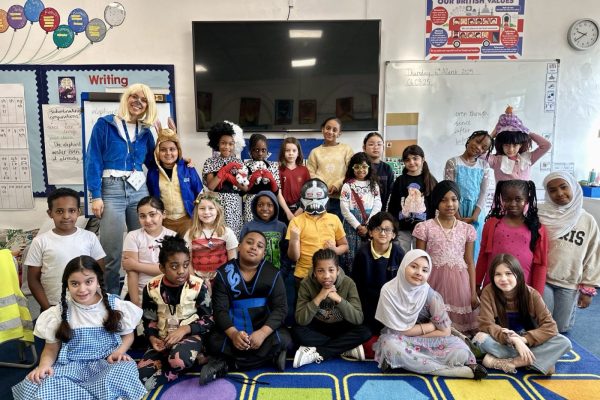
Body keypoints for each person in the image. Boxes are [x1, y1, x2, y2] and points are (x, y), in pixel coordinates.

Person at [12, 256, 145, 400]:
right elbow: (50, 349)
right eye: (75, 283)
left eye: (88, 282)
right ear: (67, 285)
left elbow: (128, 335)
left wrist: (119, 352)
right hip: (71, 366)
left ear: (98, 281)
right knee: (38, 382)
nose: (82, 289)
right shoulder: (58, 313)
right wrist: (43, 366)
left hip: (107, 362)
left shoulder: (116, 305)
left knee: (124, 370)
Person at [85, 83, 158, 294]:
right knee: (112, 251)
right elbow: (93, 160)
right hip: (111, 190)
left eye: (144, 100)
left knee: (143, 246)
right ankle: (112, 299)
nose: (138, 102)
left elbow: (155, 163)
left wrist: (180, 161)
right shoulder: (105, 124)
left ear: (148, 106)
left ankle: (142, 295)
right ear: (126, 98)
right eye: (134, 97)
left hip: (139, 190)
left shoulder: (146, 131)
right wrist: (96, 195)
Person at [373, 249, 487, 379]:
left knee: (461, 351)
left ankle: (410, 364)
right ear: (404, 266)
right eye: (414, 266)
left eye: (424, 270)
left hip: (427, 340)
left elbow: (445, 331)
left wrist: (418, 338)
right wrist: (431, 326)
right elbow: (397, 330)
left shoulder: (431, 296)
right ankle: (454, 371)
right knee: (390, 345)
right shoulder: (389, 291)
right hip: (399, 340)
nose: (418, 273)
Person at [205, 231, 291, 380]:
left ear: (263, 254)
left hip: (262, 328)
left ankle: (228, 364)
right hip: (234, 328)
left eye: (260, 246)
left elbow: (281, 309)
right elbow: (220, 310)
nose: (254, 247)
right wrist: (233, 335)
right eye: (249, 242)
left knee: (285, 339)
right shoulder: (224, 273)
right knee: (212, 341)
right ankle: (269, 358)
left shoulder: (273, 273)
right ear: (239, 247)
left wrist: (262, 333)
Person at [473, 253, 572, 375]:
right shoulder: (488, 292)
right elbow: (486, 324)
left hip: (526, 340)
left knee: (564, 342)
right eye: (498, 274)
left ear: (518, 274)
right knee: (482, 339)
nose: (503, 278)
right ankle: (539, 361)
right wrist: (513, 340)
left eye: (508, 273)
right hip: (501, 340)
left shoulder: (532, 294)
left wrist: (523, 340)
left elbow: (551, 327)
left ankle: (513, 362)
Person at [137, 236, 214, 390]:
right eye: (174, 266)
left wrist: (185, 329)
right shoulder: (151, 288)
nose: (181, 271)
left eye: (186, 265)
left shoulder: (198, 286)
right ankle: (193, 361)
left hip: (191, 337)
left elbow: (209, 320)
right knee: (141, 375)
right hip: (163, 339)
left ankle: (187, 360)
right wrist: (153, 338)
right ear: (162, 268)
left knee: (177, 361)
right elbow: (149, 320)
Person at [414, 180, 479, 334]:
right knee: (434, 325)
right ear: (436, 202)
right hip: (432, 283)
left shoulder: (467, 229)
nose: (450, 204)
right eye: (444, 200)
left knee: (459, 332)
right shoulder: (425, 228)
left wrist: (473, 292)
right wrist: (417, 290)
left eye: (454, 199)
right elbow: (418, 261)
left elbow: (470, 262)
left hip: (461, 284)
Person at [538, 172, 600, 332]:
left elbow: (593, 255)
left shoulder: (587, 220)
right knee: (542, 324)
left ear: (573, 186)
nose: (559, 193)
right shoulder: (541, 215)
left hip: (569, 282)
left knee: (561, 328)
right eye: (552, 190)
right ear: (547, 193)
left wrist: (588, 288)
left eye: (564, 187)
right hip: (543, 279)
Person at [26, 188, 105, 312]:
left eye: (71, 210)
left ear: (78, 212)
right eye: (59, 211)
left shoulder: (90, 238)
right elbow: (33, 280)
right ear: (50, 213)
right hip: (53, 306)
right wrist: (48, 310)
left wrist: (94, 300)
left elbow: (100, 272)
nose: (66, 216)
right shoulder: (40, 241)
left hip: (86, 305)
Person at [293, 249, 371, 368]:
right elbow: (301, 320)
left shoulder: (348, 283)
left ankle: (319, 352)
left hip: (341, 327)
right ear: (314, 272)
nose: (326, 276)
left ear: (337, 270)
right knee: (296, 331)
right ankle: (345, 347)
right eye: (320, 271)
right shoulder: (306, 284)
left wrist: (338, 299)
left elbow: (358, 319)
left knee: (365, 332)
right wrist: (319, 297)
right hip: (318, 327)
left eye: (331, 270)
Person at [475, 180, 548, 294]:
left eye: (518, 199)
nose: (513, 203)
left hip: (522, 291)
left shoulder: (537, 228)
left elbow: (540, 265)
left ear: (527, 200)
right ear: (501, 199)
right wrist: (476, 284)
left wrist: (537, 295)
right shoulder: (492, 224)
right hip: (493, 288)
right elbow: (483, 256)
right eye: (507, 199)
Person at [146, 121, 203, 237]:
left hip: (187, 220)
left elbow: (200, 193)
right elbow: (151, 197)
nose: (168, 153)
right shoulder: (152, 173)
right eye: (163, 150)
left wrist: (197, 214)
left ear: (178, 150)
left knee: (188, 247)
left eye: (172, 149)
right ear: (157, 151)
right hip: (164, 222)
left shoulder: (188, 168)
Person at [287, 179, 349, 283]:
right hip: (304, 275)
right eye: (310, 197)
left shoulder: (334, 219)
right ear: (303, 199)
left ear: (326, 198)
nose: (314, 201)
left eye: (319, 197)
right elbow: (294, 257)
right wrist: (294, 240)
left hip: (329, 275)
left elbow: (345, 246)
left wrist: (335, 250)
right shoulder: (296, 222)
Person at [444, 130, 493, 260]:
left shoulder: (484, 166)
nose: (479, 148)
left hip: (476, 213)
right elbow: (449, 190)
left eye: (484, 148)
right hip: (455, 211)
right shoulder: (453, 162)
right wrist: (457, 217)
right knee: (454, 250)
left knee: (473, 252)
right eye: (477, 142)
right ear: (470, 139)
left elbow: (484, 193)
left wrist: (475, 216)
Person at [352, 211, 405, 333]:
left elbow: (402, 285)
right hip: (367, 304)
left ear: (394, 234)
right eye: (378, 229)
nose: (382, 233)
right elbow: (357, 285)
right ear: (370, 232)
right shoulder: (362, 253)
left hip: (391, 304)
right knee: (366, 333)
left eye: (387, 230)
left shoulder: (399, 253)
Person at [121, 196, 176, 307]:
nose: (147, 220)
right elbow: (132, 273)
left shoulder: (173, 237)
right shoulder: (133, 236)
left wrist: (136, 265)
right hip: (138, 292)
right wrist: (135, 304)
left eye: (152, 214)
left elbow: (170, 270)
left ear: (163, 214)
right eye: (142, 216)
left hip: (166, 292)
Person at [387, 145, 438, 253]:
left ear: (423, 159)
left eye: (415, 158)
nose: (411, 162)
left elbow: (435, 206)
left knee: (420, 256)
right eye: (407, 160)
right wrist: (393, 226)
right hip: (402, 229)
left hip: (423, 229)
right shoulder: (400, 180)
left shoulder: (430, 180)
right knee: (401, 256)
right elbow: (393, 205)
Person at [201, 121, 248, 237]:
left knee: (233, 236)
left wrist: (230, 178)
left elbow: (245, 188)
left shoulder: (239, 162)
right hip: (216, 203)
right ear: (217, 143)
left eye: (231, 144)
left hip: (234, 204)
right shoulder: (210, 162)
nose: (227, 147)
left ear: (235, 145)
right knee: (217, 235)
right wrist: (225, 170)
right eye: (223, 143)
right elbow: (211, 186)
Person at [340, 152, 382, 274]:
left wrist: (368, 224)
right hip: (351, 225)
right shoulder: (347, 186)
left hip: (370, 223)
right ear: (352, 168)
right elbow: (344, 209)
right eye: (357, 167)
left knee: (369, 254)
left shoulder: (374, 185)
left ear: (369, 167)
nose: (361, 170)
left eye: (364, 166)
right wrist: (358, 226)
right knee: (351, 256)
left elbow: (378, 204)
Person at [487, 106, 551, 183]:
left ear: (520, 145)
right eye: (506, 145)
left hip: (524, 191)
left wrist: (526, 132)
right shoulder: (496, 160)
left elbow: (546, 145)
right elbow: (479, 152)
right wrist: (492, 135)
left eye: (515, 145)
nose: (511, 149)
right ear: (501, 145)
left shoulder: (528, 158)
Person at [184, 192, 238, 282]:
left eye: (211, 208)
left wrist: (227, 279)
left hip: (222, 279)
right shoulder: (190, 233)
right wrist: (194, 279)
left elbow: (232, 260)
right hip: (197, 278)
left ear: (218, 211)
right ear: (197, 211)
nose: (206, 212)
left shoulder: (227, 232)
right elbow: (187, 259)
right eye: (202, 208)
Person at [307, 117, 354, 219]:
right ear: (322, 129)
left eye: (334, 130)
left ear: (339, 133)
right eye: (328, 128)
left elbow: (351, 171)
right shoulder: (315, 152)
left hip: (341, 198)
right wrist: (322, 186)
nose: (330, 132)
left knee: (337, 227)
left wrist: (338, 184)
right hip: (319, 199)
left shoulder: (346, 149)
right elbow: (310, 172)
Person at [243, 133, 292, 223]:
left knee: (269, 229)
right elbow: (242, 192)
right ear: (251, 150)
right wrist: (251, 181)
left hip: (269, 205)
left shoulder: (272, 166)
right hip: (251, 206)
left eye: (263, 150)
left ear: (267, 151)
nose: (260, 153)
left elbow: (277, 192)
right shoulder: (245, 166)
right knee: (253, 229)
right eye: (256, 150)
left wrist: (272, 180)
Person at [239, 190, 288, 270]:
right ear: (255, 207)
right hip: (252, 272)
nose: (265, 208)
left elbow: (286, 252)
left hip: (276, 272)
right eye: (260, 205)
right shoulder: (248, 226)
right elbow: (241, 250)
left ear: (275, 207)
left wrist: (283, 272)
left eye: (269, 205)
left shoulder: (282, 227)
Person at [278, 137, 311, 222]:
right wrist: (288, 212)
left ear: (298, 153)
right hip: (283, 210)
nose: (291, 153)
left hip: (301, 210)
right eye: (287, 150)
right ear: (283, 152)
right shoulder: (279, 170)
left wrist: (301, 208)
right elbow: (278, 193)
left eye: (294, 150)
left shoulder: (304, 170)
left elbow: (308, 192)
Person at [363, 132, 395, 210]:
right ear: (364, 148)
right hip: (362, 211)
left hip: (382, 211)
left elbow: (391, 192)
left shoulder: (387, 168)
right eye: (371, 144)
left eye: (379, 144)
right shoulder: (360, 168)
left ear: (383, 148)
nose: (376, 147)